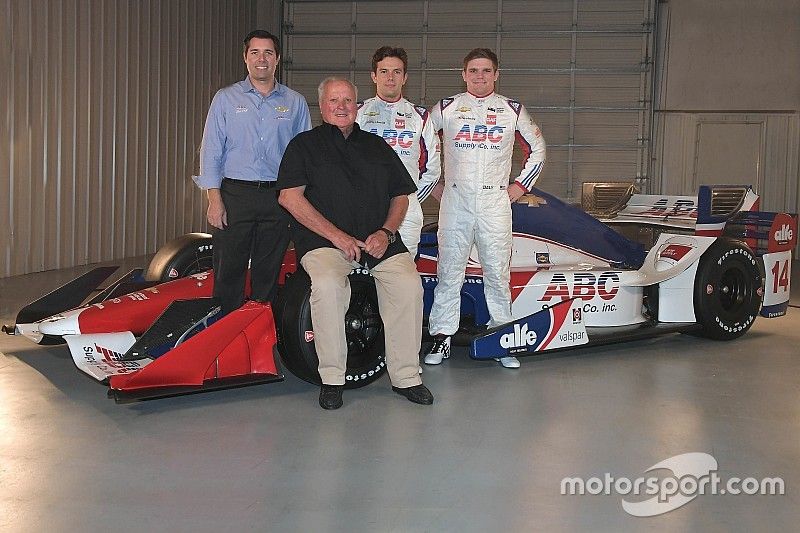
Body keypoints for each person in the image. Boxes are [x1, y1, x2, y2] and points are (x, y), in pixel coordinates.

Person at [277, 77, 434, 410]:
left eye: (348, 100)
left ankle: (407, 377)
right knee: (329, 285)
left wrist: (387, 233)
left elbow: (401, 197)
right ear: (322, 106)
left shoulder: (377, 146)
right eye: (334, 100)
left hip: (378, 241)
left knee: (408, 285)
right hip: (325, 243)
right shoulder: (303, 146)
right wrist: (337, 237)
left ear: (356, 105)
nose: (342, 106)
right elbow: (290, 198)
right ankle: (333, 379)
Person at [424, 48, 546, 369]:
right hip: (455, 201)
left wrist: (518, 188)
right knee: (449, 271)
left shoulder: (512, 110)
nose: (480, 76)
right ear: (463, 74)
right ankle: (442, 338)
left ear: (496, 74)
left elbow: (538, 148)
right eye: (474, 71)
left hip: (495, 201)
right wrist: (432, 185)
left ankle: (503, 337)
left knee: (497, 272)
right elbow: (420, 145)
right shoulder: (446, 108)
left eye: (486, 71)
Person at [194, 30, 311, 315]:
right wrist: (214, 199)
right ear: (245, 58)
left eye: (268, 53)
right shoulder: (225, 99)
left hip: (278, 197)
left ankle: (260, 335)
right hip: (235, 195)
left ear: (277, 59)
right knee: (228, 272)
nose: (262, 59)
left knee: (268, 272)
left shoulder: (295, 103)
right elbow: (211, 151)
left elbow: (304, 157)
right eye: (255, 53)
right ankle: (223, 334)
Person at [356, 46, 441, 258]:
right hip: (364, 206)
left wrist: (408, 200)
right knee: (361, 274)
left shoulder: (420, 116)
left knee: (403, 276)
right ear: (374, 76)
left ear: (405, 78)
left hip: (407, 211)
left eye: (397, 72)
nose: (390, 78)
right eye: (384, 71)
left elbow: (432, 168)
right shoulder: (357, 113)